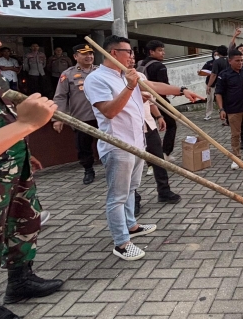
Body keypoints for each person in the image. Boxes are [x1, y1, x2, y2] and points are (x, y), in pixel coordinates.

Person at [83, 35, 200, 261]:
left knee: (130, 189)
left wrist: (181, 90)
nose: (132, 56)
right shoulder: (97, 79)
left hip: (138, 142)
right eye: (128, 52)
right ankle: (121, 242)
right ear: (113, 53)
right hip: (117, 144)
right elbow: (108, 111)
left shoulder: (131, 75)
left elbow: (154, 86)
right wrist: (130, 87)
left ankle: (131, 226)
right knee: (117, 196)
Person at [0, 18, 64, 318]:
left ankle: (21, 279)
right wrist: (27, 124)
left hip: (13, 168)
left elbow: (4, 121)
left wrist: (25, 154)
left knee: (25, 225)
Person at [131, 61, 182, 205]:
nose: (131, 59)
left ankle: (164, 191)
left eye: (132, 55)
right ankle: (133, 199)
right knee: (133, 164)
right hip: (131, 129)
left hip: (148, 125)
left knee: (159, 159)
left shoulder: (140, 75)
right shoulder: (114, 80)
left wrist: (159, 117)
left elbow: (151, 100)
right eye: (127, 55)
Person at [52, 44, 100, 185]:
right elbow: (60, 97)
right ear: (75, 57)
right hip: (82, 118)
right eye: (84, 54)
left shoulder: (100, 71)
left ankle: (111, 167)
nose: (89, 56)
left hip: (102, 116)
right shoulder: (68, 74)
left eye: (91, 53)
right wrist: (58, 118)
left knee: (108, 144)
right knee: (83, 147)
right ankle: (88, 170)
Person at [137, 40, 179, 163]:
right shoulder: (160, 66)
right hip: (158, 101)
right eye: (160, 50)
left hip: (143, 101)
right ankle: (165, 153)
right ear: (151, 52)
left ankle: (148, 160)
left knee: (149, 130)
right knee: (171, 125)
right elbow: (162, 85)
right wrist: (174, 91)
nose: (163, 53)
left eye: (163, 50)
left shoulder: (140, 64)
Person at [207, 45, 230, 126]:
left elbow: (213, 74)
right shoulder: (229, 60)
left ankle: (226, 118)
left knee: (221, 100)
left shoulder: (217, 62)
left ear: (218, 53)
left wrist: (209, 85)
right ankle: (230, 118)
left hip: (220, 83)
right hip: (230, 83)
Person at [198, 50, 219, 120]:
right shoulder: (209, 63)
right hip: (210, 83)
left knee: (221, 98)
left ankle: (222, 112)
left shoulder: (222, 62)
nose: (216, 56)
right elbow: (203, 71)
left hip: (219, 83)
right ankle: (208, 114)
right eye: (215, 54)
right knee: (210, 99)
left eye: (217, 54)